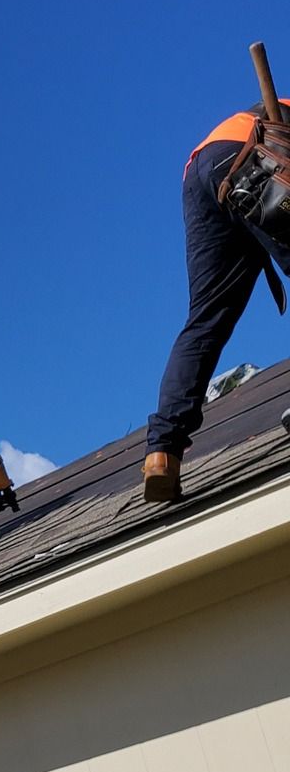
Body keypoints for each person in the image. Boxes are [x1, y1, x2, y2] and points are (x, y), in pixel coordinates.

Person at [145, 94, 290, 502]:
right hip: (249, 154)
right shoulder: (281, 115)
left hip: (202, 168)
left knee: (207, 318)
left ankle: (162, 452)